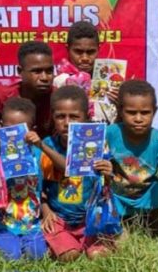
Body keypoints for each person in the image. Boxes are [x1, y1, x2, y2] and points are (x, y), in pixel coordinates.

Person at [39, 86, 113, 261]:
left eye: (74, 116)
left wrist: (108, 174)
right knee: (69, 255)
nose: (66, 122)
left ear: (86, 117)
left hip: (90, 218)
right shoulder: (46, 146)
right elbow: (38, 186)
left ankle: (85, 241)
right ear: (52, 117)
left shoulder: (98, 144)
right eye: (60, 116)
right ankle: (65, 243)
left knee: (100, 256)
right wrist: (46, 211)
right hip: (60, 219)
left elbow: (106, 188)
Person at [106, 80, 158, 230]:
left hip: (146, 195)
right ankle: (119, 218)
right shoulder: (110, 133)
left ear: (154, 111)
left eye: (145, 113)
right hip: (115, 196)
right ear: (120, 110)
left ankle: (150, 212)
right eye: (131, 112)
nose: (138, 119)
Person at [0, 97, 47, 261]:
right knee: (11, 255)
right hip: (4, 225)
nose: (13, 136)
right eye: (8, 129)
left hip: (32, 225)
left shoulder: (38, 155)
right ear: (0, 127)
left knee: (37, 254)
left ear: (32, 130)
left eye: (20, 130)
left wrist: (39, 145)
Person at [0, 41, 54, 137]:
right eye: (37, 71)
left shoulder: (57, 99)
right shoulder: (2, 98)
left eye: (49, 71)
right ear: (20, 71)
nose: (44, 78)